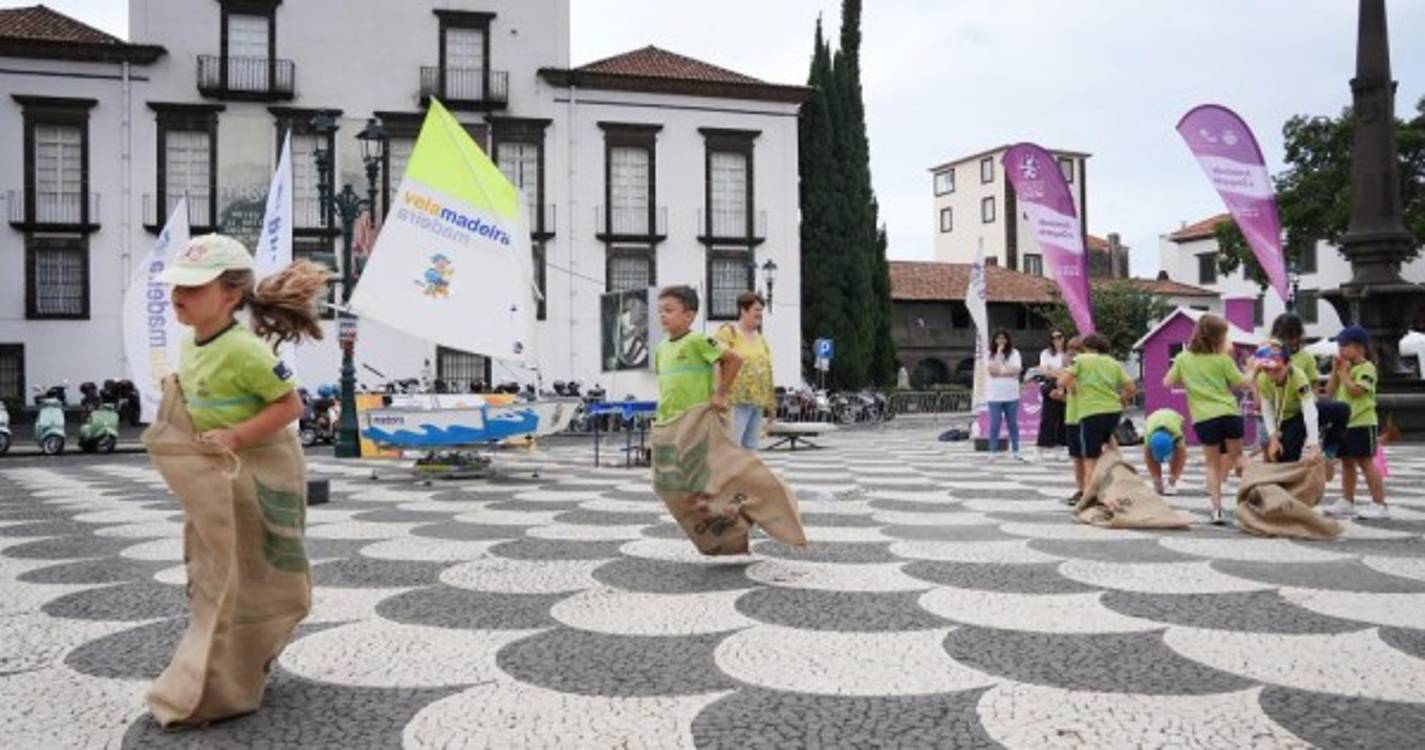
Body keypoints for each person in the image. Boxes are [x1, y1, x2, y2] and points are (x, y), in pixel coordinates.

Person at [151, 233, 328, 724]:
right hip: (219, 476)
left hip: (261, 471)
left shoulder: (246, 351)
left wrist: (237, 436)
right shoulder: (189, 342)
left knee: (258, 573)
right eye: (176, 287)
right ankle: (219, 670)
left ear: (229, 295)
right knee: (218, 574)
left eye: (192, 287)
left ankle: (241, 663)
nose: (177, 297)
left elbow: (291, 405)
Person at [1164, 313, 1259, 525]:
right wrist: (1252, 369)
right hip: (1229, 413)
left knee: (1212, 466)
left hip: (1204, 419)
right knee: (1238, 459)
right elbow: (1242, 383)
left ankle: (1217, 511)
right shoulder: (1223, 359)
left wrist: (1189, 379)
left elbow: (1167, 382)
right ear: (1219, 338)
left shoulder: (1182, 358)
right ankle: (1256, 497)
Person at [654, 286, 742, 425]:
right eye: (660, 311)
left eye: (668, 310)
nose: (662, 315)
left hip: (696, 420)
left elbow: (735, 360)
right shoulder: (660, 348)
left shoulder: (699, 340)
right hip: (667, 420)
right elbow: (665, 388)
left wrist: (720, 395)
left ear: (689, 316)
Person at [1059, 333, 1136, 490]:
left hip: (1090, 412)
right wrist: (1122, 399)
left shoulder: (1082, 360)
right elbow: (1131, 388)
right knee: (1110, 447)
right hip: (1113, 411)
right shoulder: (1113, 362)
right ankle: (1123, 484)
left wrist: (1068, 383)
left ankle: (1090, 493)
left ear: (1086, 347)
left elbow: (1063, 381)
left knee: (1090, 456)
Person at [1327, 325, 1389, 519]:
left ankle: (1380, 504)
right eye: (1339, 346)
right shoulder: (1344, 367)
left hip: (1362, 422)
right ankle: (1347, 500)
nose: (1340, 350)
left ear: (1359, 347)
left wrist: (1344, 375)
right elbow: (1329, 392)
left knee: (1366, 462)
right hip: (1344, 423)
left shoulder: (1367, 368)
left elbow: (1357, 391)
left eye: (1344, 346)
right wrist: (1335, 372)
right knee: (1346, 463)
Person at [1256, 339, 1345, 470]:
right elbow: (1267, 409)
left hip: (1304, 412)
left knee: (1342, 409)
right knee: (1284, 460)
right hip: (1287, 421)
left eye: (1277, 370)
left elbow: (1309, 409)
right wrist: (1273, 439)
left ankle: (1329, 449)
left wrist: (1314, 446)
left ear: (1288, 364)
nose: (1272, 375)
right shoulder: (1263, 378)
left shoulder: (1298, 376)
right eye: (1267, 369)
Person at [715, 291, 774, 450]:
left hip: (757, 402)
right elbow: (715, 363)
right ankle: (728, 476)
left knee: (750, 449)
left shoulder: (760, 339)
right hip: (735, 401)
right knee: (732, 447)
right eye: (756, 310)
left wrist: (771, 404)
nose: (760, 314)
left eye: (761, 310)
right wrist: (719, 395)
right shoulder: (728, 333)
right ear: (743, 310)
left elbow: (767, 370)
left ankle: (745, 476)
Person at [985, 329, 1027, 462]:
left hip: (1011, 394)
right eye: (998, 338)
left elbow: (1017, 370)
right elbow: (993, 371)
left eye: (1003, 338)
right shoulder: (989, 354)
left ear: (1008, 340)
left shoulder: (1015, 353)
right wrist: (998, 354)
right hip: (994, 395)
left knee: (1012, 423)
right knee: (995, 424)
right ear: (994, 340)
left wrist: (1001, 372)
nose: (1001, 341)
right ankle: (992, 451)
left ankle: (1016, 450)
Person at [1035, 328, 1069, 461]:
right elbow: (1044, 371)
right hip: (1050, 385)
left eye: (1059, 337)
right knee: (1048, 417)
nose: (1057, 340)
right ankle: (1040, 448)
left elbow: (1071, 370)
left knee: (1063, 416)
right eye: (1053, 338)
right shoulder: (1046, 353)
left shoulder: (1068, 354)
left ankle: (1060, 447)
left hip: (1066, 385)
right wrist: (1060, 372)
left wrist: (1056, 371)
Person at [1061, 336, 1087, 505]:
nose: (1070, 357)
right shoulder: (1071, 372)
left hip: (1086, 417)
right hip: (1072, 417)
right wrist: (1061, 396)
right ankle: (1080, 489)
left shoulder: (1083, 372)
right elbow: (1071, 395)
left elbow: (1076, 390)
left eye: (1074, 353)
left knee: (1089, 457)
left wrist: (1067, 374)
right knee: (1077, 457)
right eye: (1069, 353)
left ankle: (1089, 490)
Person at [1143, 408, 1187, 497]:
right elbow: (1148, 458)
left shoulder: (1177, 434)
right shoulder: (1148, 437)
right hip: (1152, 419)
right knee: (1150, 456)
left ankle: (1172, 482)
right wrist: (1156, 480)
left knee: (1178, 453)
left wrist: (1173, 479)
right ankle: (1158, 480)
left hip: (1176, 418)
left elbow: (1181, 457)